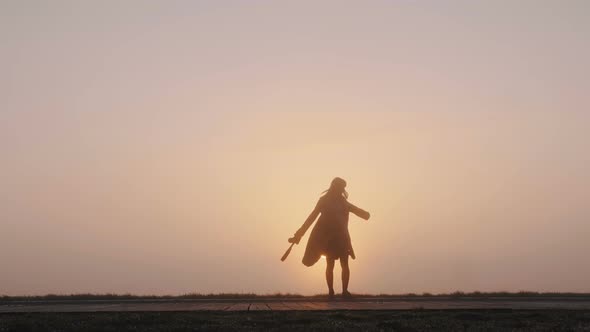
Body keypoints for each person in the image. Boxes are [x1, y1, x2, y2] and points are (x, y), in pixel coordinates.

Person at [290, 177, 370, 299]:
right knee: (330, 264)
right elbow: (311, 217)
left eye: (343, 187)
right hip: (328, 239)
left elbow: (354, 209)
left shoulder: (343, 202)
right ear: (335, 187)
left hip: (342, 237)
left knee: (344, 264)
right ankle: (331, 292)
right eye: (341, 187)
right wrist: (298, 234)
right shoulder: (324, 200)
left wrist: (365, 214)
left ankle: (344, 291)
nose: (342, 190)